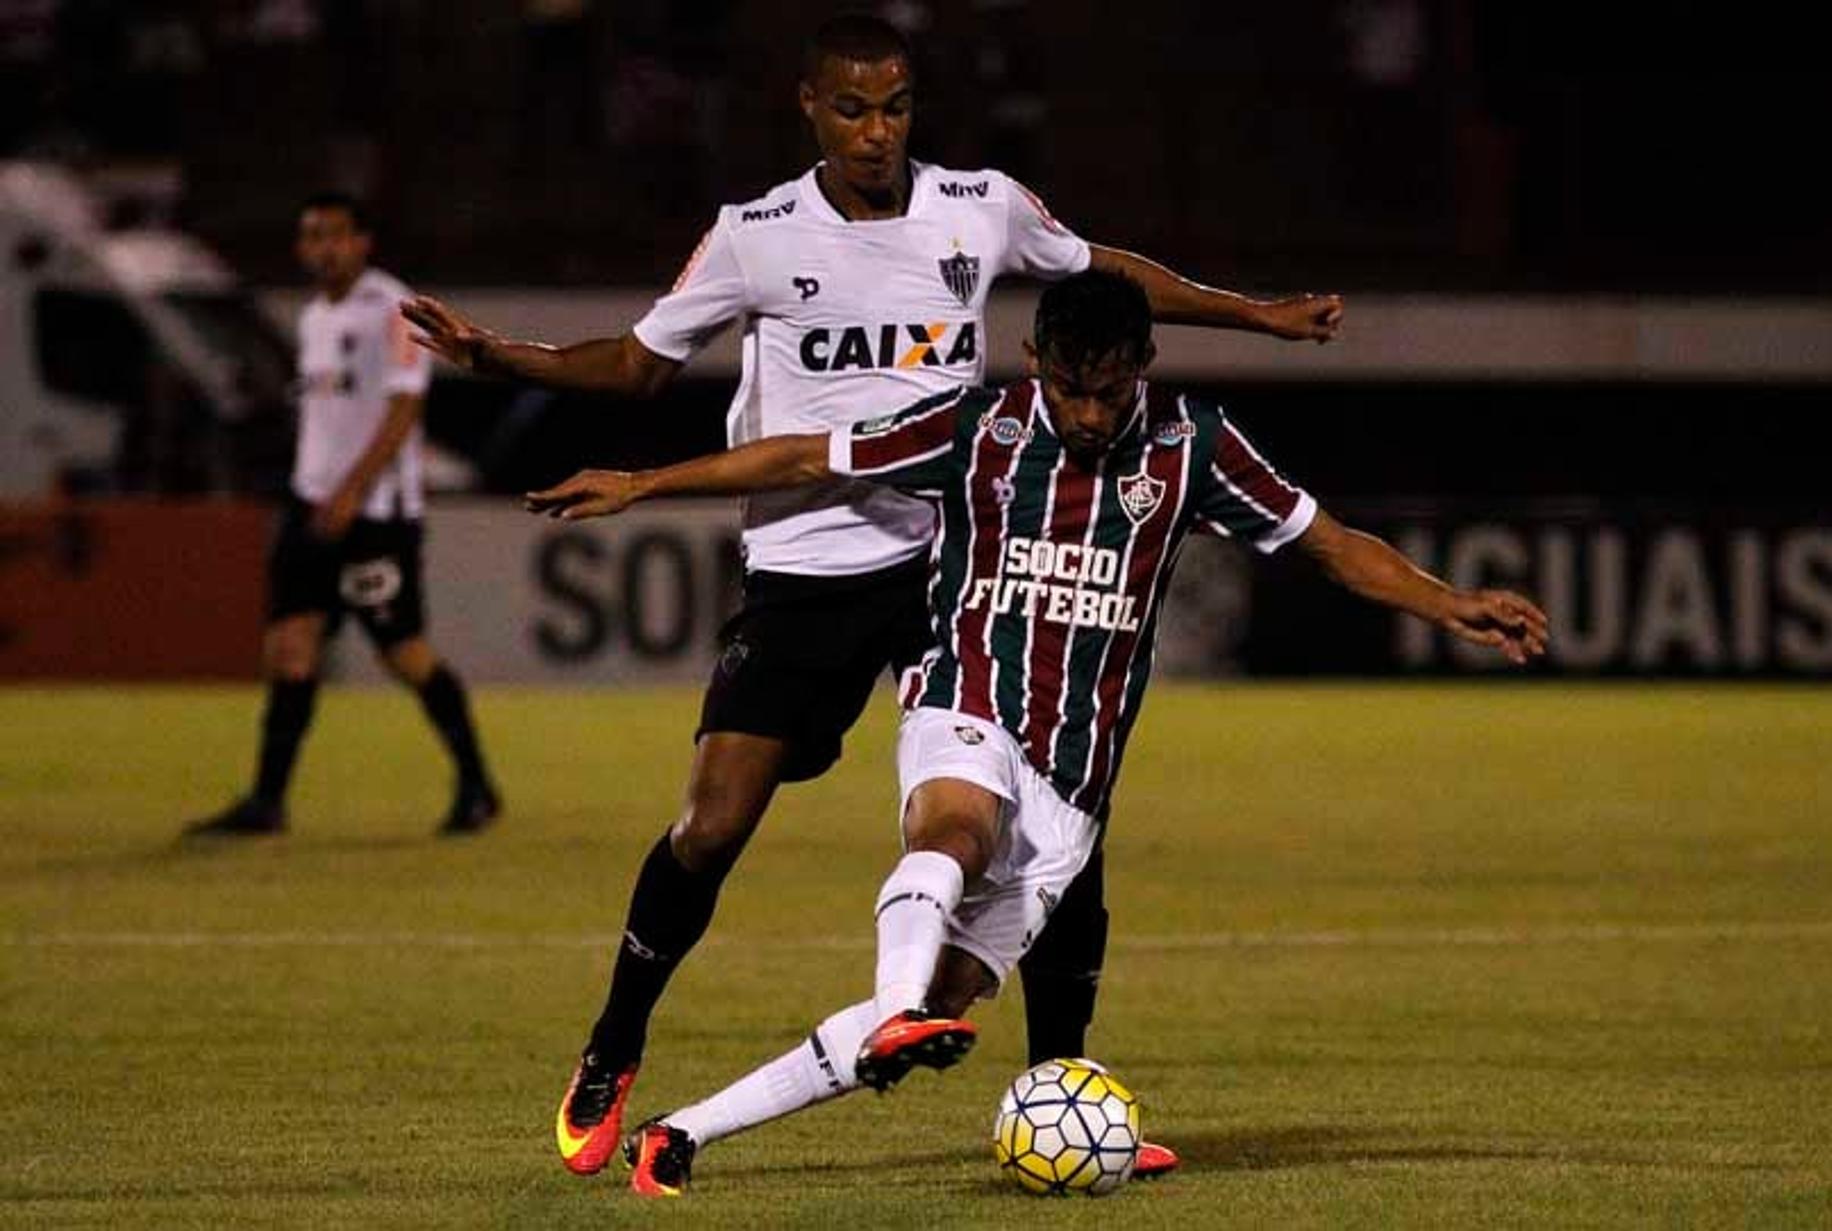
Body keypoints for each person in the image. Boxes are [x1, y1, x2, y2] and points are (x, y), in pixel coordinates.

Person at [401, 14, 1342, 1180]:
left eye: (895, 107)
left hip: (959, 563)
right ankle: (614, 1040)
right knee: (712, 824)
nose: (876, 131)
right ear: (809, 108)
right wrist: (502, 358)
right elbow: (640, 365)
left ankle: (1061, 1089)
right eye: (852, 109)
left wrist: (1254, 313)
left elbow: (1103, 274)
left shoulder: (979, 204)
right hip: (806, 568)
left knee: (1060, 830)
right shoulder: (753, 235)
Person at [524, 267, 1547, 1197]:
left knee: (950, 1003)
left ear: (1145, 365)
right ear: (1035, 363)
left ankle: (682, 1133)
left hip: (1074, 782)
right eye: (1070, 388)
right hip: (963, 697)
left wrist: (1448, 601)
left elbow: (1328, 544)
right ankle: (894, 1000)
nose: (1090, 412)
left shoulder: (1197, 446)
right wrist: (642, 482)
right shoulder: (977, 430)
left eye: (1108, 390)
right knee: (953, 833)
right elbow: (806, 452)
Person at [186, 193, 500, 839]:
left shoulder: (395, 309)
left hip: (375, 512)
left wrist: (355, 488)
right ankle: (267, 801)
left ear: (363, 241)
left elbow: (405, 407)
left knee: (402, 652)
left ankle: (477, 785)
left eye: (335, 235)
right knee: (290, 647)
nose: (322, 247)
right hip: (311, 502)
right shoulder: (313, 318)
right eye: (311, 236)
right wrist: (316, 488)